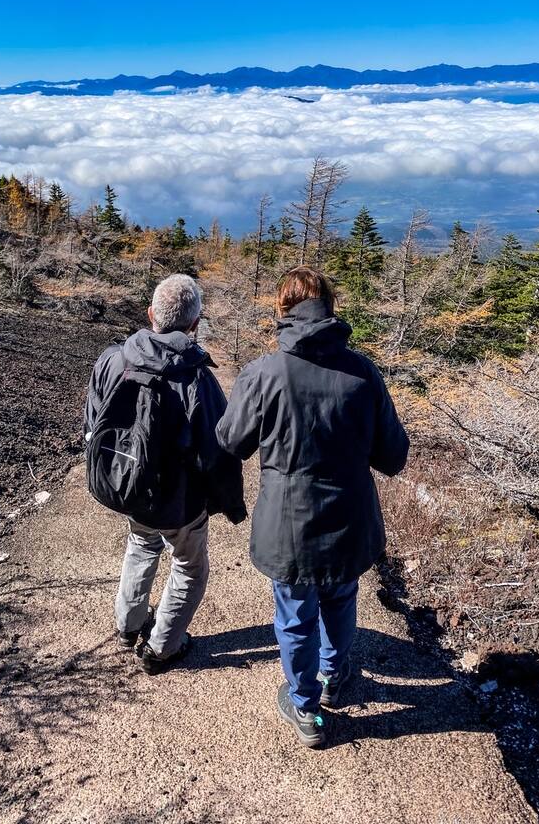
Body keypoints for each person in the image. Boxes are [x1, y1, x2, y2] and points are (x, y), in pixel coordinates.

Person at [216, 266, 409, 747]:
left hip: (288, 525)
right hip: (349, 519)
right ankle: (332, 677)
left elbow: (232, 441)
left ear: (282, 310)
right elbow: (393, 457)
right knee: (341, 599)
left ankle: (305, 707)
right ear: (330, 307)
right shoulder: (363, 373)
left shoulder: (264, 373)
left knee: (294, 613)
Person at [85, 273, 245, 675]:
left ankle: (128, 626)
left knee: (141, 544)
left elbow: (93, 421)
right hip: (180, 501)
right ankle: (162, 648)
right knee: (190, 567)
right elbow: (218, 448)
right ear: (195, 323)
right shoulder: (197, 377)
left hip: (129, 487)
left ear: (151, 314)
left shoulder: (112, 359)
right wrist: (229, 501)